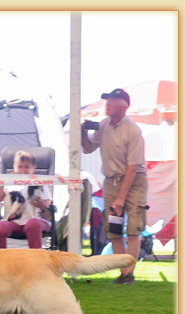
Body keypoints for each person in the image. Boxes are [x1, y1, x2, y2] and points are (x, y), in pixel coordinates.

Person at [81, 88, 148, 285]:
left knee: (134, 228)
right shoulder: (103, 125)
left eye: (111, 100)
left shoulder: (133, 130)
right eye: (107, 100)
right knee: (114, 229)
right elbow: (87, 148)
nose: (107, 104)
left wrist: (120, 199)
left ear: (124, 106)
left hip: (134, 181)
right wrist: (83, 133)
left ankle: (129, 274)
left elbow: (133, 167)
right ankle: (123, 273)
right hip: (111, 181)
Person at [0, 150, 52, 249]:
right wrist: (4, 181)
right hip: (13, 221)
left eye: (26, 167)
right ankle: (0, 259)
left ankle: (36, 258)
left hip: (36, 220)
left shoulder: (40, 183)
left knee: (33, 223)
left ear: (34, 168)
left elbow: (49, 216)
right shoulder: (9, 184)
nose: (23, 170)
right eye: (20, 167)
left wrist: (42, 206)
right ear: (14, 167)